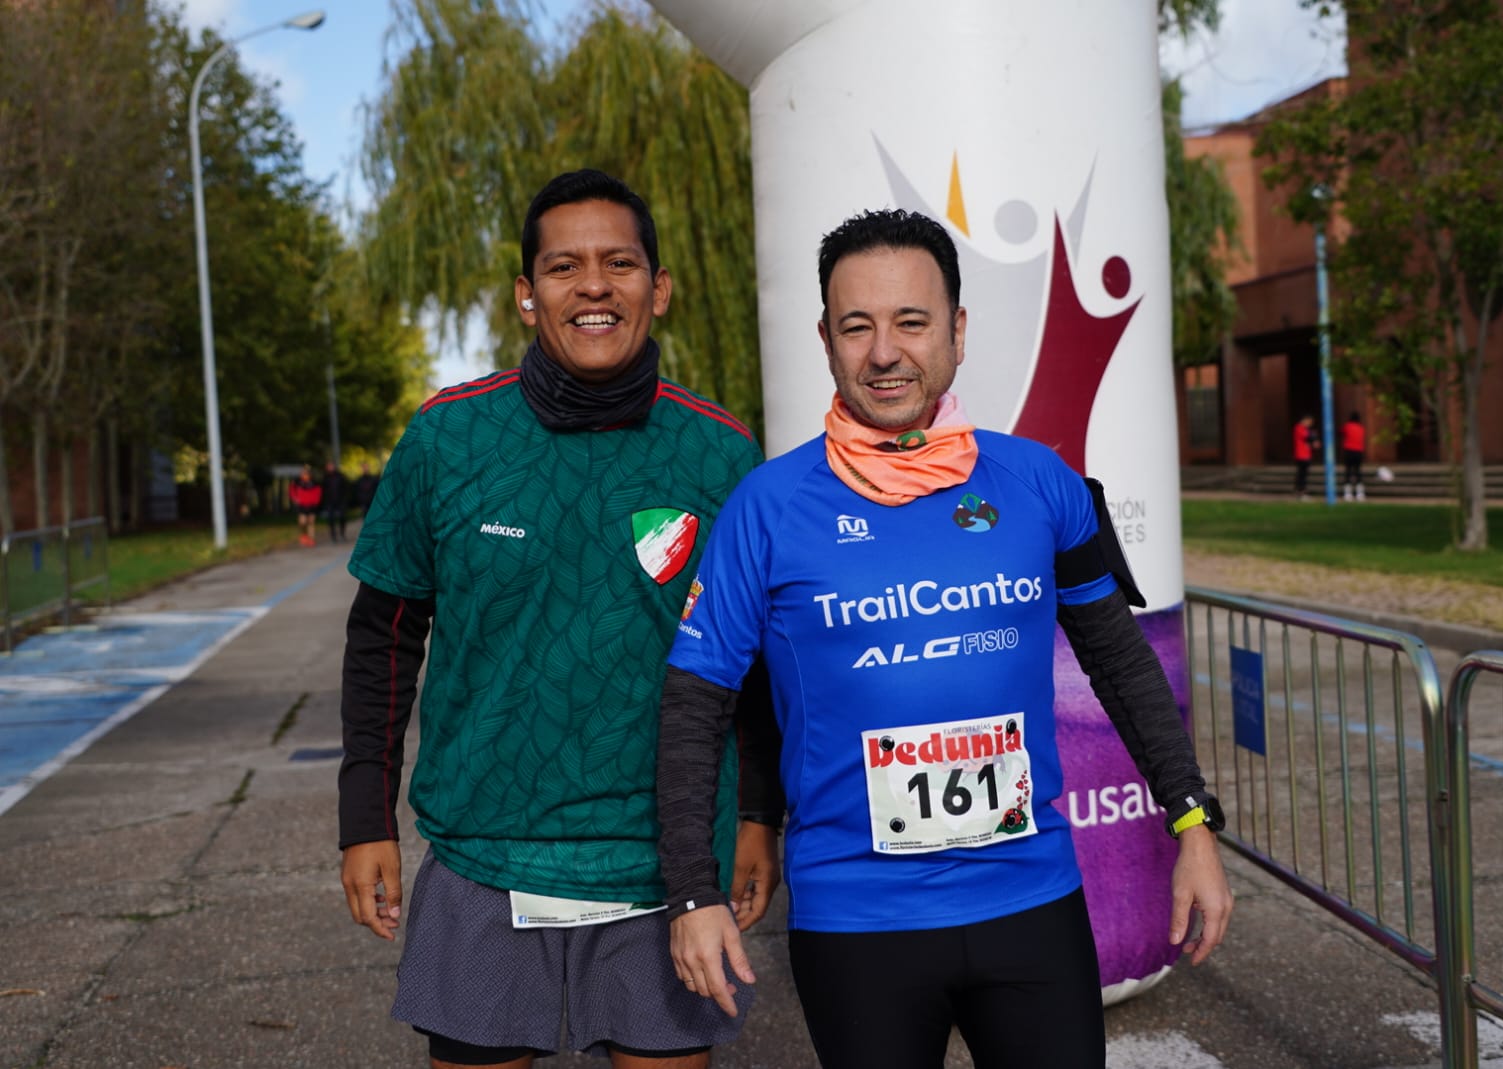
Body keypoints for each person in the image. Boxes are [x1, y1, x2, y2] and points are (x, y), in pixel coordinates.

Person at [656, 209, 1233, 1069]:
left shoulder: (1041, 482)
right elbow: (696, 706)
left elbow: (1119, 662)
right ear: (826, 339)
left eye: (912, 321)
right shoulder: (768, 508)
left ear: (957, 331)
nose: (884, 351)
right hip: (858, 923)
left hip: (1032, 904)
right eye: (858, 326)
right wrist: (690, 892)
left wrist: (1193, 823)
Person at [338, 169, 779, 1069]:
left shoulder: (722, 454)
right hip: (483, 852)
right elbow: (382, 636)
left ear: (657, 288)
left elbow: (760, 662)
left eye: (619, 262)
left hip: (666, 863)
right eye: (564, 265)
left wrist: (760, 814)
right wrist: (364, 816)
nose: (593, 285)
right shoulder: (447, 439)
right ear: (527, 296)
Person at [288, 463, 322, 546]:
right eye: (303, 473)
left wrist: (316, 502)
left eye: (306, 473)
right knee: (302, 522)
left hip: (312, 505)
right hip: (302, 505)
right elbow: (291, 491)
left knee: (311, 522)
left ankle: (311, 539)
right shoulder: (297, 482)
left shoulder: (315, 483)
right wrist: (295, 499)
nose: (305, 475)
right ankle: (304, 535)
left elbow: (318, 492)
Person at [1341, 410, 1366, 501]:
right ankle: (1360, 493)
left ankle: (1347, 493)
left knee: (1348, 471)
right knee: (1358, 471)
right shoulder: (1361, 427)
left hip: (1349, 451)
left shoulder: (1347, 426)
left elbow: (1341, 432)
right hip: (1358, 451)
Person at [323, 460, 350, 542]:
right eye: (328, 466)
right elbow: (324, 490)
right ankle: (333, 536)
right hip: (330, 501)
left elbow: (346, 488)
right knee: (331, 518)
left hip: (340, 500)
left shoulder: (340, 476)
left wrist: (345, 499)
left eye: (331, 466)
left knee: (342, 517)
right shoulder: (326, 477)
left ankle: (342, 534)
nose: (330, 468)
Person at [1293, 413, 1316, 501]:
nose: (1310, 424)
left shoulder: (1305, 429)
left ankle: (1300, 490)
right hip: (1301, 455)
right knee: (1302, 474)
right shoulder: (1299, 428)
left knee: (1303, 474)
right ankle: (1301, 492)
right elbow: (1308, 437)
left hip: (1305, 454)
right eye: (1309, 422)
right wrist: (1313, 437)